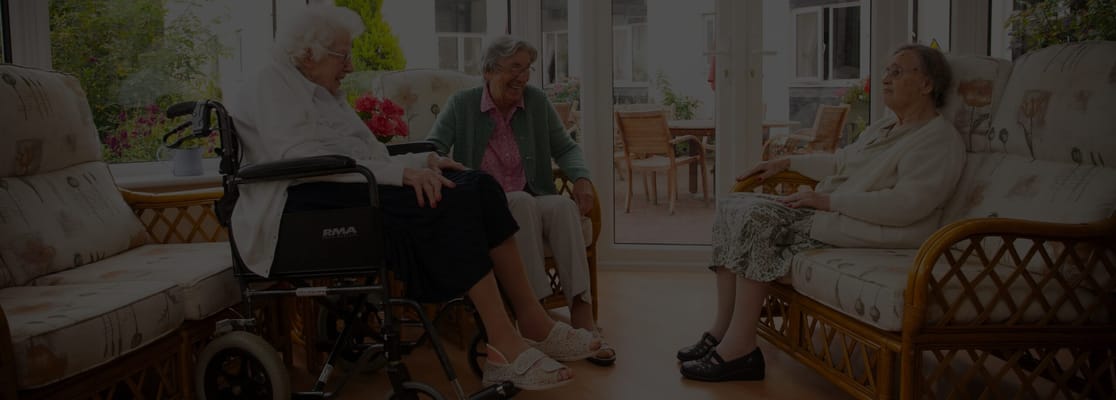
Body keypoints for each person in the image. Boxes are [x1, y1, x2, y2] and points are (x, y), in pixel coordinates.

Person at [226, 5, 600, 391]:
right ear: (308, 54)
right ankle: (503, 345)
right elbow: (302, 161)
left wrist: (427, 159)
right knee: (447, 201)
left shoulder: (324, 93)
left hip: (349, 186)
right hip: (302, 204)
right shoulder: (269, 83)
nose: (351, 66)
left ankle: (533, 320)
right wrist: (403, 174)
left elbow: (372, 155)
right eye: (344, 54)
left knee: (479, 185)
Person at [677, 44, 965, 382]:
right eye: (886, 71)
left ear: (927, 84)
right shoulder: (885, 129)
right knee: (733, 205)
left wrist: (827, 201)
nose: (885, 78)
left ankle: (741, 350)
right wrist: (784, 163)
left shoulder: (936, 140)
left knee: (758, 217)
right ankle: (721, 331)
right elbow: (841, 161)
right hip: (837, 214)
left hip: (869, 228)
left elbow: (907, 204)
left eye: (897, 72)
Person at [427, 36, 616, 366]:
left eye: (527, 68)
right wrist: (449, 171)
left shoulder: (536, 102)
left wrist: (582, 178)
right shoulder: (462, 104)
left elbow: (566, 148)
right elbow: (432, 149)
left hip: (534, 194)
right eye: (515, 68)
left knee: (560, 205)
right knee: (519, 203)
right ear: (489, 69)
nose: (524, 77)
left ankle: (583, 316)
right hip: (488, 208)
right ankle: (537, 318)